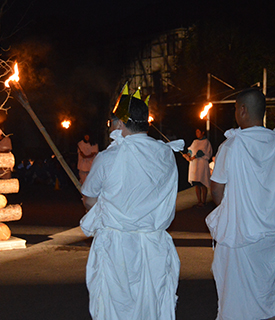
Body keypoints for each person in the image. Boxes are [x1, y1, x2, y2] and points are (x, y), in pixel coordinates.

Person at [80, 85, 184, 320]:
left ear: (120, 124)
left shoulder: (108, 158)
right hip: (153, 247)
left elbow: (89, 200)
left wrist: (93, 203)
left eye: (113, 121)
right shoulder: (166, 154)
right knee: (150, 310)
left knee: (116, 310)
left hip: (117, 249)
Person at [206, 88, 275, 320]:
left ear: (243, 110)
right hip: (272, 235)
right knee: (270, 297)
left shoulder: (232, 145)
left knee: (236, 301)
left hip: (241, 237)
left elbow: (217, 191)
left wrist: (232, 206)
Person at [183, 128, 212, 207]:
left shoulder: (206, 142)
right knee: (196, 183)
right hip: (195, 165)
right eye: (196, 132)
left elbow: (201, 152)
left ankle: (204, 201)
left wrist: (193, 157)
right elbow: (191, 150)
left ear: (203, 132)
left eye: (198, 132)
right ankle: (199, 201)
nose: (197, 133)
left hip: (201, 164)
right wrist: (187, 155)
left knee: (202, 182)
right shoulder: (195, 141)